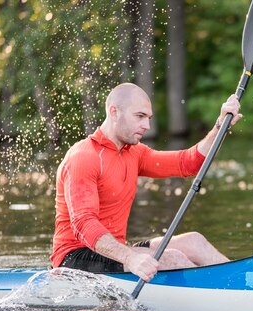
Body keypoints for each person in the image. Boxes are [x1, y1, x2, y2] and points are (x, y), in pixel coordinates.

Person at [51, 83, 242, 283]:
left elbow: (188, 163)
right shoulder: (83, 157)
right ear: (114, 112)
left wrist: (220, 126)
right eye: (140, 116)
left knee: (195, 241)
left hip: (114, 251)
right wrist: (130, 258)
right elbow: (83, 224)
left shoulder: (134, 153)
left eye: (148, 118)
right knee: (174, 259)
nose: (147, 126)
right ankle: (220, 295)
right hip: (74, 259)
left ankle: (239, 284)